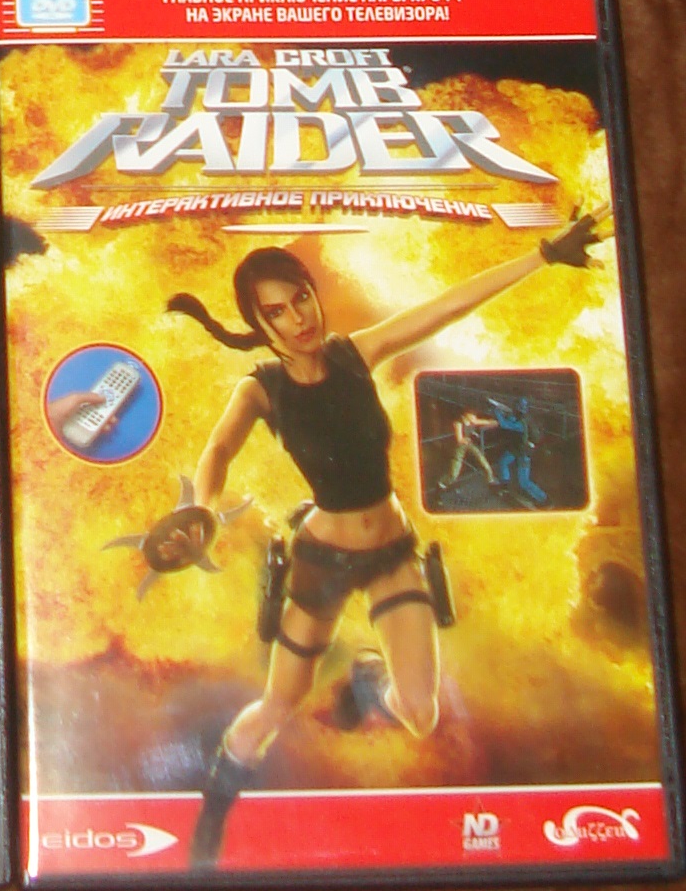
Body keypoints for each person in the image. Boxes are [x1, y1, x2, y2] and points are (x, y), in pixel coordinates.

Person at [156, 224, 602, 865]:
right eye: (275, 312)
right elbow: (218, 451)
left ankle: (371, 681)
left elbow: (448, 305)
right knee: (278, 704)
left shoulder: (355, 354)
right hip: (322, 560)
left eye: (300, 298)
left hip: (392, 550)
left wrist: (543, 255)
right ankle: (212, 818)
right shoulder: (260, 389)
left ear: (314, 294)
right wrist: (201, 508)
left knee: (420, 712)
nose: (297, 318)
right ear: (259, 325)